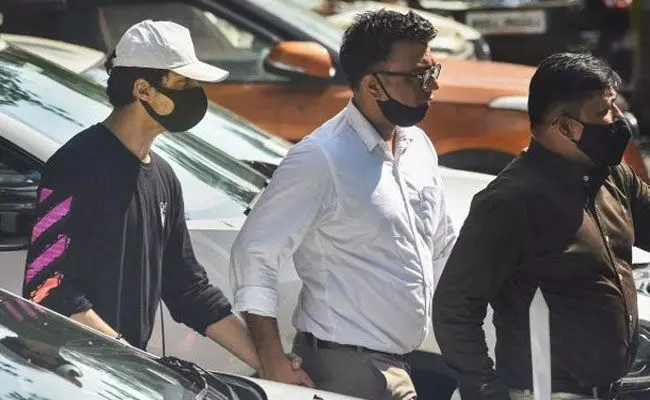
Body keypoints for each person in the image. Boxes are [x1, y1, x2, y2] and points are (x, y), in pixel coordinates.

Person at [230, 9, 455, 400]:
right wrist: (272, 361)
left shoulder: (418, 145)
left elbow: (442, 246)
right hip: (344, 370)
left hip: (401, 366)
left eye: (433, 71)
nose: (431, 86)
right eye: (418, 75)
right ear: (372, 85)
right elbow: (254, 253)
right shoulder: (321, 158)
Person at [21, 19, 266, 372]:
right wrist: (129, 360)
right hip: (71, 377)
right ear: (143, 90)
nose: (194, 95)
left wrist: (270, 364)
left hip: (125, 378)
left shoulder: (164, 177)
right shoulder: (75, 165)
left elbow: (188, 289)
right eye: (183, 84)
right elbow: (46, 285)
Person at [432, 52, 649, 400]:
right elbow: (454, 307)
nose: (618, 120)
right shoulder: (511, 203)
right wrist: (485, 391)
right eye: (603, 112)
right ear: (565, 127)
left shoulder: (612, 176)